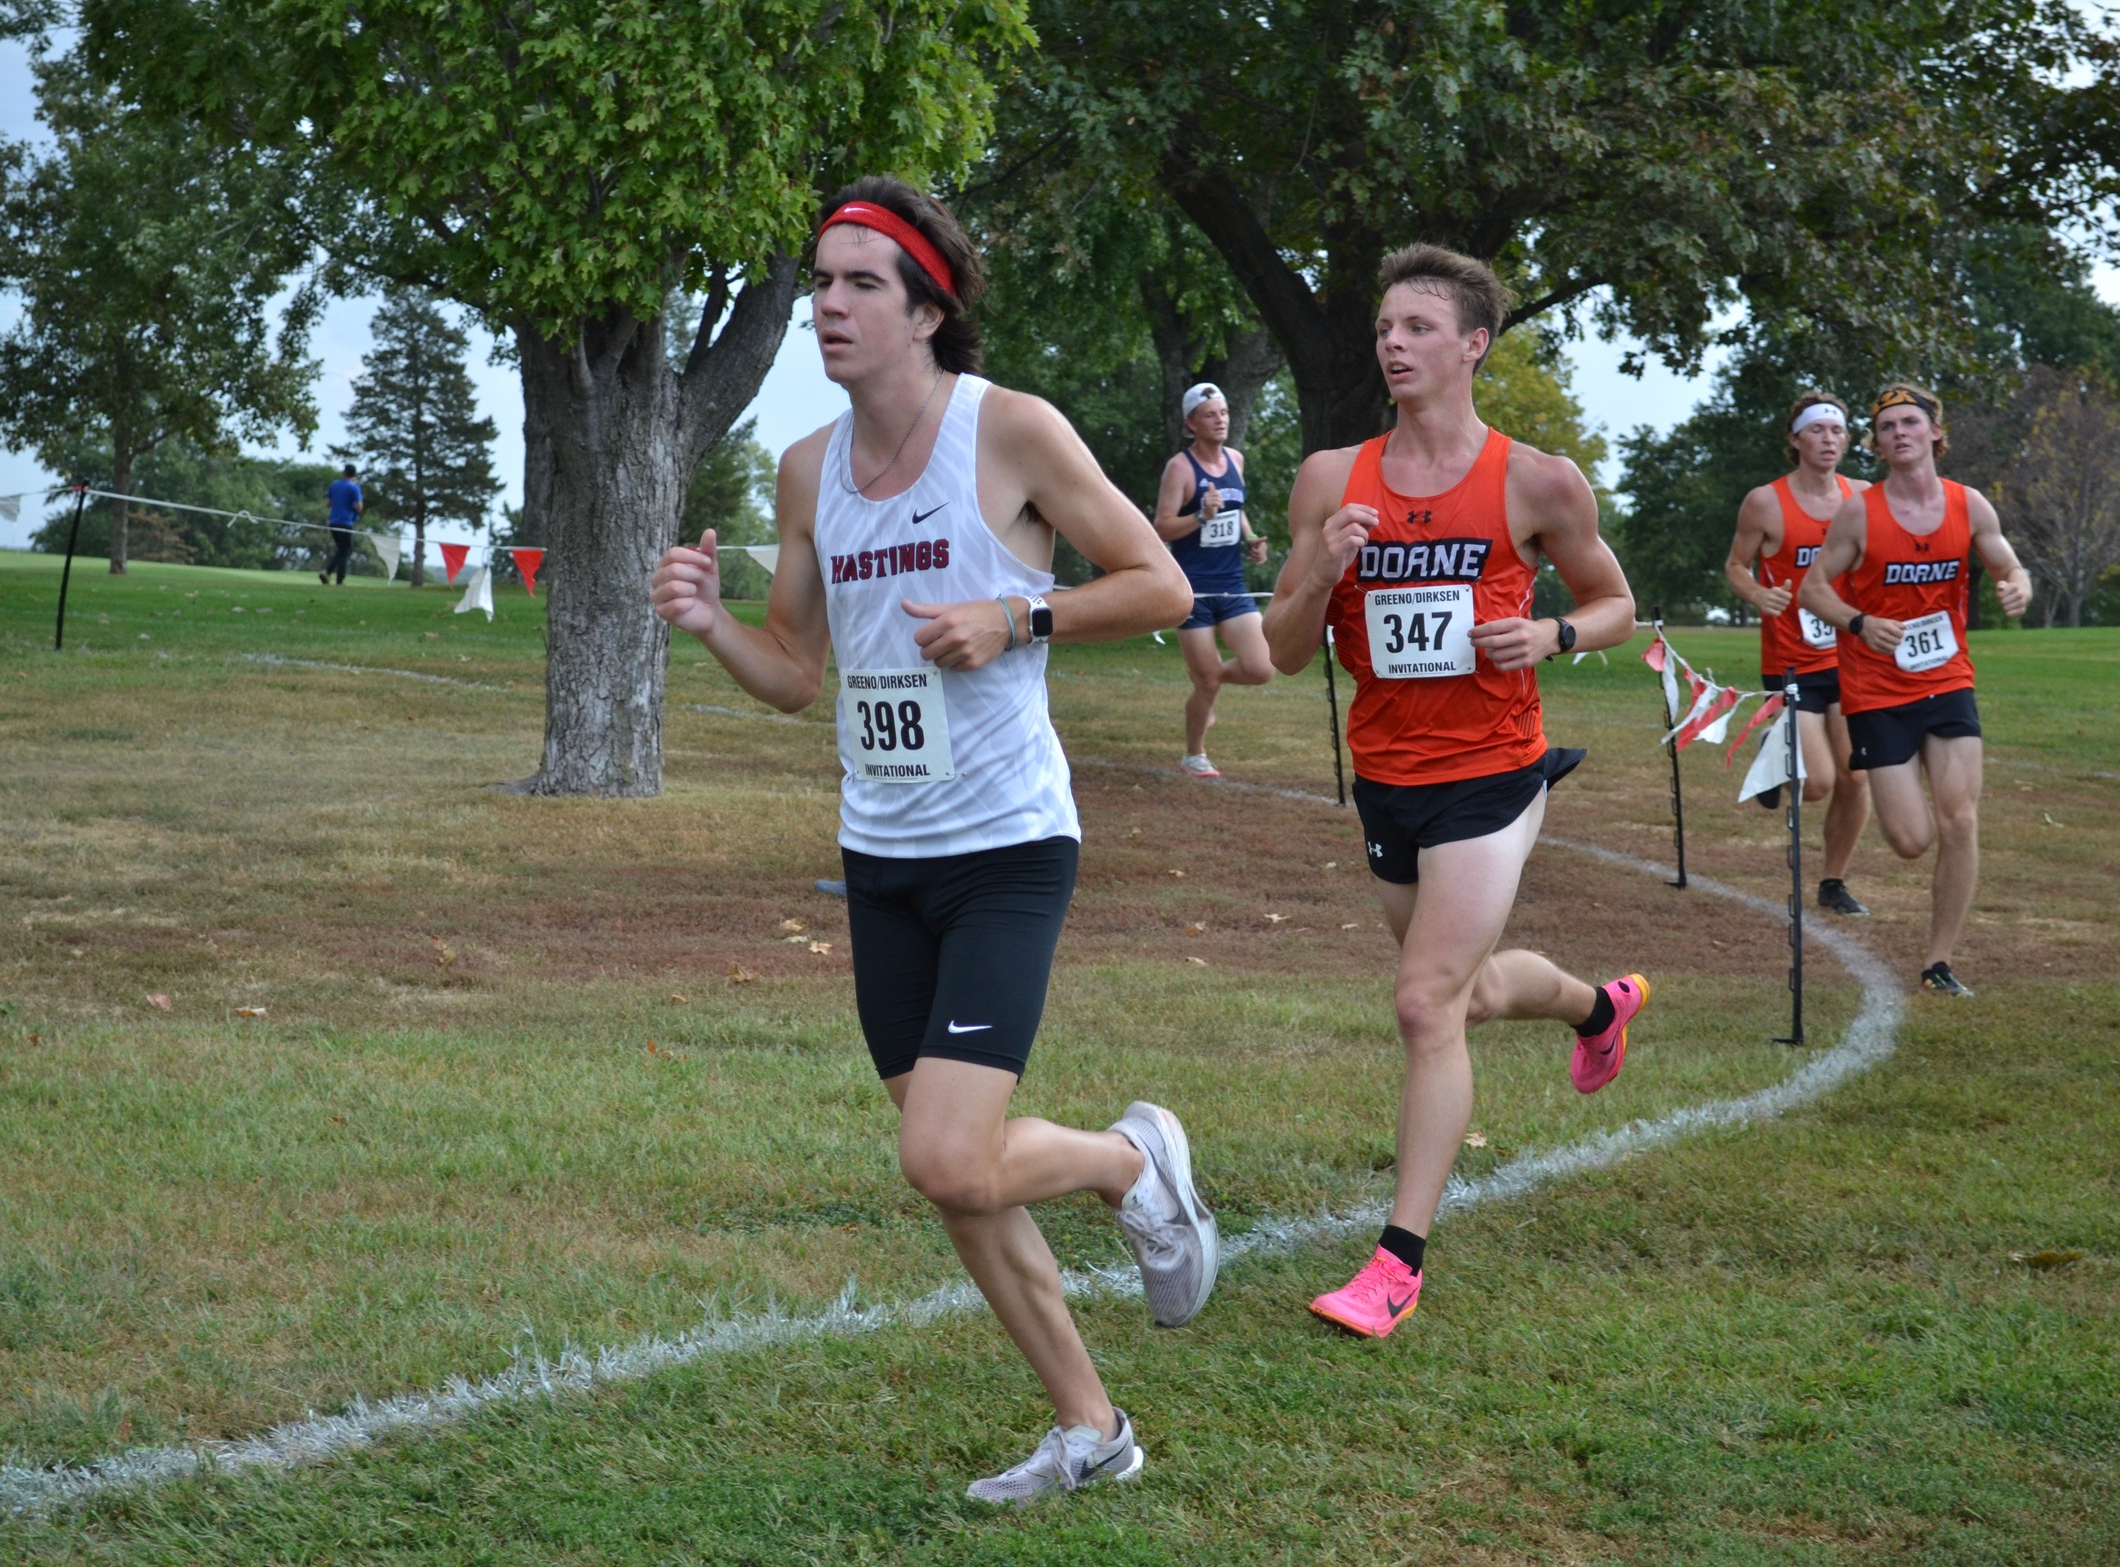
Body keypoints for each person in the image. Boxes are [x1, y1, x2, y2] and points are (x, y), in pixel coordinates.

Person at [650, 176, 1215, 1504]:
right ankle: (1093, 1426)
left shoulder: (1007, 431)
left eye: (858, 284)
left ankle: (1134, 1159)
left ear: (924, 309)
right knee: (958, 1178)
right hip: (881, 853)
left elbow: (1161, 583)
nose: (826, 306)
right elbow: (799, 671)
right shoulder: (806, 471)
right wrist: (712, 624)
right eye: (819, 281)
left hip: (1009, 841)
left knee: (948, 1153)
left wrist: (1014, 618)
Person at [1261, 243, 1644, 1340]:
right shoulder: (1330, 479)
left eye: (1417, 326)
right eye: (1384, 327)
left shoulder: (1533, 478)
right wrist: (1323, 569)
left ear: (1472, 345)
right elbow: (1283, 652)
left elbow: (1616, 603)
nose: (1393, 341)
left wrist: (1550, 633)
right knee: (1464, 997)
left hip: (1492, 775)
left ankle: (1394, 1261)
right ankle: (1593, 1004)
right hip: (1387, 780)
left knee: (1423, 1001)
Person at [1799, 384, 2032, 997]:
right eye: (1887, 427)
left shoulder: (1969, 505)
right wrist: (1859, 622)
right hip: (1876, 690)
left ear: (1934, 433)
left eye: (1911, 422)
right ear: (1876, 445)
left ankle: (1939, 961)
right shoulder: (1860, 513)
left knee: (1960, 819)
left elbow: (2009, 566)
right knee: (1910, 841)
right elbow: (1814, 590)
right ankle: (1932, 942)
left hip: (1948, 679)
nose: (1900, 432)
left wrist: (2018, 587)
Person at [1724, 392, 1873, 916]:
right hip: (1793, 659)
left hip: (1853, 658)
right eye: (1817, 430)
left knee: (1857, 774)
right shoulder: (1766, 502)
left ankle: (1833, 882)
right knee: (1819, 785)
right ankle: (1775, 745)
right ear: (1795, 439)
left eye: (1837, 431)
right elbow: (1737, 566)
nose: (1828, 440)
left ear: (1848, 440)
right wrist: (1757, 594)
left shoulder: (1863, 497)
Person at [1154, 383, 1273, 777]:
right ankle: (1194, 754)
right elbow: (1163, 528)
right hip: (1192, 589)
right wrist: (1200, 518)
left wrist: (1252, 538)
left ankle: (1202, 701)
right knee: (1206, 679)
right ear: (1191, 423)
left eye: (1223, 412)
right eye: (1210, 414)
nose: (1220, 420)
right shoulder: (1180, 467)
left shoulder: (1236, 459)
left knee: (1262, 667)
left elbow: (1235, 510)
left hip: (1232, 584)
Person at [322, 463, 363, 585]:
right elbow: (359, 506)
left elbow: (328, 503)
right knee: (345, 551)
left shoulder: (334, 485)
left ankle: (328, 572)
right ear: (354, 475)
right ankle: (337, 578)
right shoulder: (354, 488)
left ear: (344, 473)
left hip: (333, 522)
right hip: (346, 522)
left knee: (341, 550)